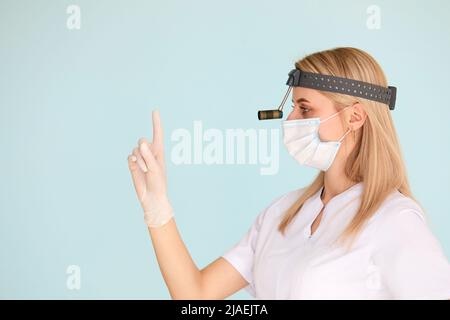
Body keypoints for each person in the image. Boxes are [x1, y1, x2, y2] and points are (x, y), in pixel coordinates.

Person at [127, 47, 450, 299]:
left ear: (355, 117)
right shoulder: (282, 214)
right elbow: (195, 295)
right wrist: (158, 208)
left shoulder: (392, 220)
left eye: (305, 108)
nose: (291, 119)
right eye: (293, 107)